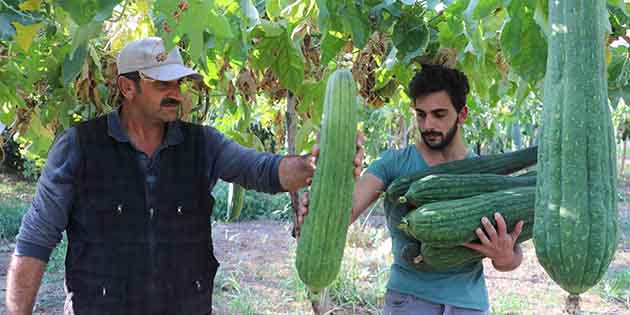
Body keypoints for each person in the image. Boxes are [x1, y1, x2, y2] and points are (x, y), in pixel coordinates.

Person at [5, 37, 363, 315]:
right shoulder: (79, 147)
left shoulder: (203, 144)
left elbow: (264, 171)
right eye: (162, 85)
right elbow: (35, 241)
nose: (176, 93)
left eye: (179, 83)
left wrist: (316, 164)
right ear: (127, 88)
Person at [298, 64, 525, 315]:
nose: (427, 124)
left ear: (462, 114)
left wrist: (503, 255)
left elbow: (513, 258)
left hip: (469, 304)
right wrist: (321, 203)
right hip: (408, 302)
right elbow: (345, 212)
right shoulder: (394, 163)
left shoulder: (485, 172)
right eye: (421, 114)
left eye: (439, 114)